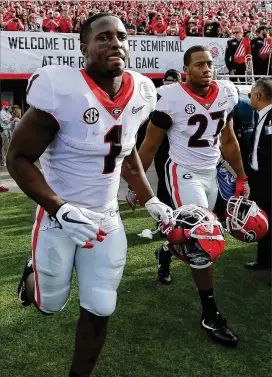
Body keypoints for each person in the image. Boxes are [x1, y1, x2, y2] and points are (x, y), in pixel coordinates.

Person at [6, 13, 173, 377]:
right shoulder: (61, 90)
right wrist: (60, 208)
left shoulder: (142, 92)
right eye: (104, 38)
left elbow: (126, 153)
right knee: (50, 305)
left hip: (106, 218)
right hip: (58, 217)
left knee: (100, 306)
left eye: (122, 36)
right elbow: (18, 158)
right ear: (84, 49)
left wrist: (152, 200)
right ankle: (32, 273)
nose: (115, 43)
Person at [128, 45, 250, 346]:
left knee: (190, 234)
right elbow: (150, 146)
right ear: (186, 70)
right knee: (202, 238)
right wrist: (135, 185)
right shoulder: (171, 98)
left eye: (209, 63)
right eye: (198, 65)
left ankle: (166, 252)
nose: (206, 69)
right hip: (182, 172)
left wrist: (242, 176)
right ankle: (209, 313)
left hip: (211, 171)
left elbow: (229, 139)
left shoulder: (226, 93)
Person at [135, 69, 182, 209]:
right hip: (162, 146)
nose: (170, 87)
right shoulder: (157, 98)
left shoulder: (187, 97)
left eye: (173, 83)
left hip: (182, 149)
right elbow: (145, 125)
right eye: (168, 83)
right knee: (164, 181)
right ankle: (166, 221)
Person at [246, 78, 272, 270]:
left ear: (258, 95)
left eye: (250, 94)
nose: (249, 98)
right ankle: (264, 260)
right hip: (260, 179)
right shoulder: (261, 115)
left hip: (269, 180)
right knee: (264, 222)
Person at [0, 100, 12, 167]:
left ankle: (7, 161)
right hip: (4, 130)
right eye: (7, 105)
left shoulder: (7, 112)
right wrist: (11, 120)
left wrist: (11, 120)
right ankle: (4, 161)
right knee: (5, 146)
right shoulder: (1, 113)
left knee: (9, 146)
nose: (8, 106)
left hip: (9, 130)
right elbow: (7, 122)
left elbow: (11, 120)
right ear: (3, 105)